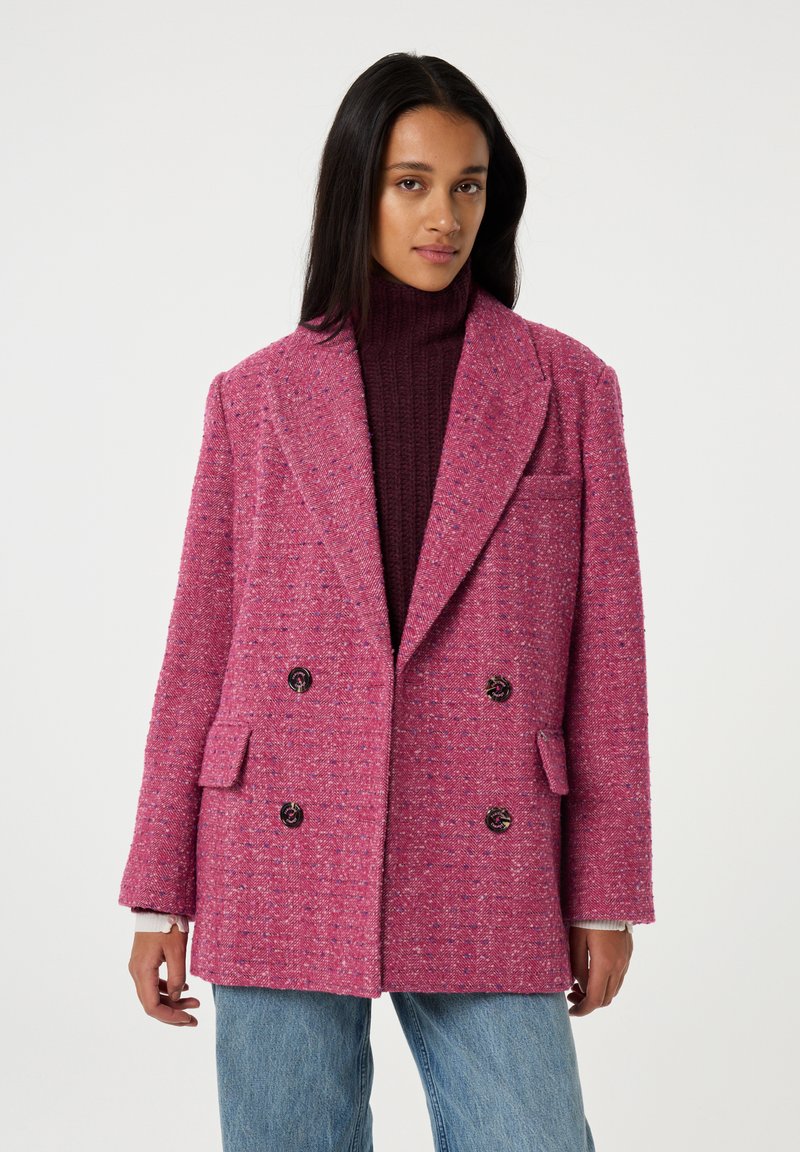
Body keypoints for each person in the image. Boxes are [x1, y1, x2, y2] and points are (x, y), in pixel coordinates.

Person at [121, 51, 655, 1151]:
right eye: (411, 183)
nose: (443, 216)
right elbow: (199, 651)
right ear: (355, 191)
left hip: (487, 839)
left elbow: (607, 656)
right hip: (280, 838)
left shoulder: (569, 388)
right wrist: (159, 889)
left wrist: (604, 893)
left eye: (467, 185)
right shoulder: (253, 397)